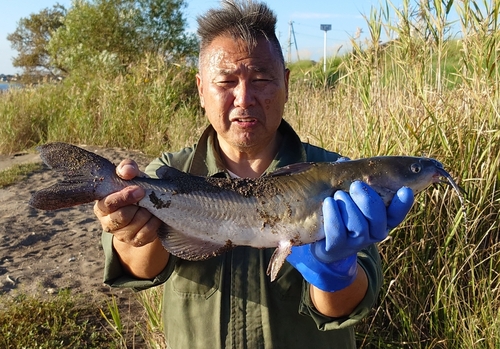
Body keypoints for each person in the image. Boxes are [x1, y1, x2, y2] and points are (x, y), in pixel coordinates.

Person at [95, 1, 414, 348]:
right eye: (226, 81)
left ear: (286, 84)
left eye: (261, 79)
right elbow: (140, 271)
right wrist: (133, 231)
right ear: (201, 89)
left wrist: (335, 273)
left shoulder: (340, 180)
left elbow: (346, 309)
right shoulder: (167, 176)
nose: (244, 98)